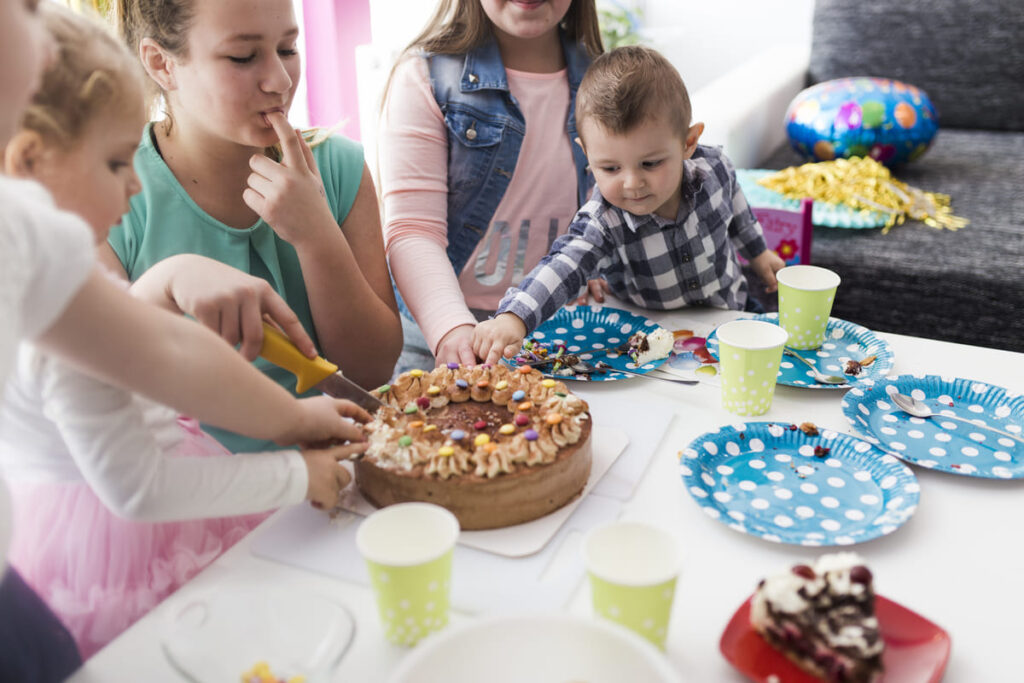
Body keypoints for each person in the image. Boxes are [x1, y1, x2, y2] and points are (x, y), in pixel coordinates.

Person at [0, 2, 366, 680]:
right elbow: (147, 409)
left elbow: (97, 354)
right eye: (115, 163)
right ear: (29, 162)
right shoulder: (32, 239)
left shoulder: (28, 243)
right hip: (127, 540)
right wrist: (296, 436)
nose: (135, 181)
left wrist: (163, 281)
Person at [104, 0, 402, 453]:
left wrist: (318, 237)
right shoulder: (109, 194)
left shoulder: (340, 168)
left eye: (287, 48)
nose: (280, 82)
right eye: (243, 57)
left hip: (343, 477)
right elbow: (102, 391)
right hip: (202, 495)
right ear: (162, 64)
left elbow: (371, 371)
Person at [472, 46, 787, 363]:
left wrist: (758, 252)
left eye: (650, 164)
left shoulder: (714, 167)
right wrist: (514, 317)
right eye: (610, 168)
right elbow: (563, 264)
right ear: (588, 154)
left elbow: (736, 207)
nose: (632, 183)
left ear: (688, 143)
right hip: (654, 338)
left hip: (731, 312)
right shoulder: (602, 220)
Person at [378, 0, 604, 372]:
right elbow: (413, 230)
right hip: (441, 334)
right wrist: (453, 329)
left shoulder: (606, 78)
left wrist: (602, 265)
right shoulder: (423, 75)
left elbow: (610, 203)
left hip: (558, 331)